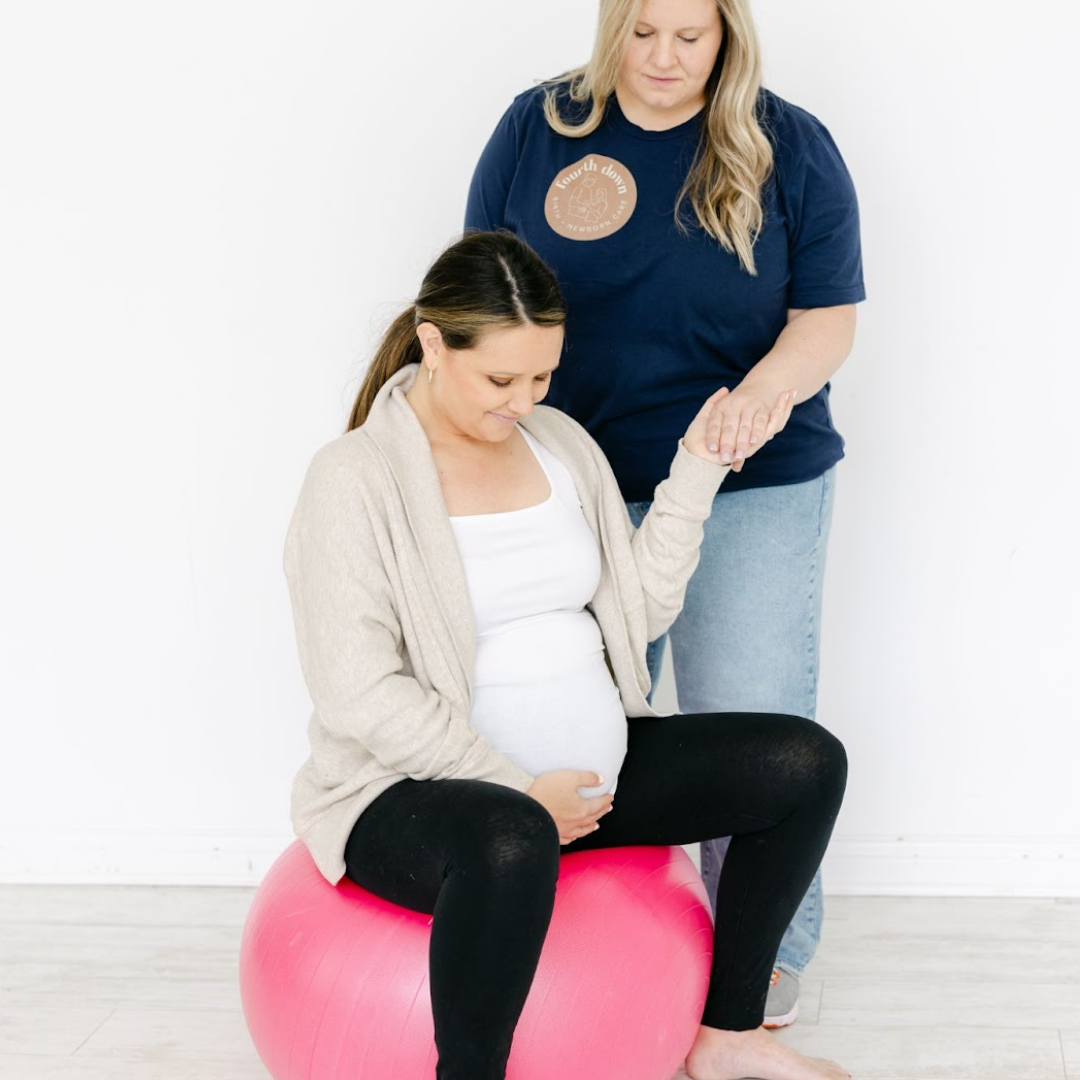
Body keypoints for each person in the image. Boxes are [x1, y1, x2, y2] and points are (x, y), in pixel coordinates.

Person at [285, 230, 851, 1080]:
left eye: (542, 375)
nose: (523, 400)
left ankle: (725, 1037)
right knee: (510, 837)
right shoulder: (354, 478)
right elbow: (359, 691)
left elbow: (639, 609)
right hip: (420, 798)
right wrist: (519, 791)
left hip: (585, 785)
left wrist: (696, 469)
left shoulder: (559, 444)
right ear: (434, 343)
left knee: (804, 762)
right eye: (500, 379)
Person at [464, 0, 865, 1025]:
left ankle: (756, 973)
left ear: (727, 34)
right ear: (613, 26)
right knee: (575, 727)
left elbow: (825, 319)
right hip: (575, 485)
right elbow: (483, 293)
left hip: (748, 489)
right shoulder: (538, 128)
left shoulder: (791, 146)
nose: (663, 58)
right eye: (642, 32)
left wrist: (760, 396)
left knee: (750, 721)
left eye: (689, 36)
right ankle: (595, 954)